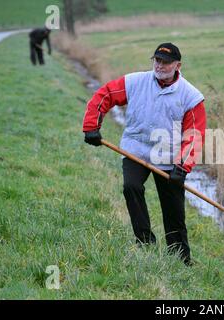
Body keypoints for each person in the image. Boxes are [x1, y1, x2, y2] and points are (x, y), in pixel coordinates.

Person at [82, 43, 206, 266]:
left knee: (173, 210)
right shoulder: (135, 82)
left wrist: (183, 166)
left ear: (178, 65)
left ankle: (180, 258)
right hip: (135, 149)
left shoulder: (191, 96)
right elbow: (105, 95)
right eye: (157, 60)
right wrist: (92, 126)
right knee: (131, 187)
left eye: (166, 62)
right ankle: (145, 242)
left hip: (169, 158)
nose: (160, 65)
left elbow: (194, 134)